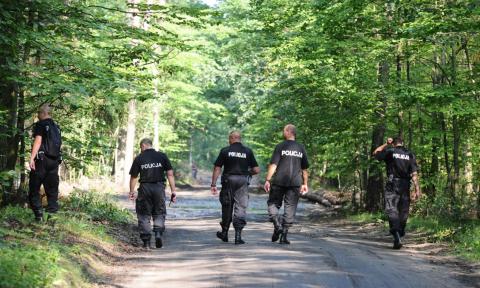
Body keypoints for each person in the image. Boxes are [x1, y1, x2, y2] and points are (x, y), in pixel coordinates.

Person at [211, 131, 260, 245]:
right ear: (240, 138)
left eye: (229, 138)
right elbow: (256, 170)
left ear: (232, 138)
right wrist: (247, 173)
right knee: (240, 207)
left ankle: (224, 233)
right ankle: (238, 236)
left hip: (229, 180)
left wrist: (213, 184)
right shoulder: (248, 151)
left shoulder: (225, 151)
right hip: (242, 181)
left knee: (227, 205)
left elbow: (217, 168)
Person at [264, 124, 309, 245]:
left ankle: (277, 224)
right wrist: (305, 183)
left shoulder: (280, 146)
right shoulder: (301, 148)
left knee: (273, 203)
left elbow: (274, 165)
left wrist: (268, 179)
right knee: (290, 207)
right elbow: (304, 169)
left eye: (284, 131)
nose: (283, 133)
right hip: (295, 183)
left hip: (279, 180)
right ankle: (283, 236)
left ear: (289, 132)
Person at [373, 136, 421, 249]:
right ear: (402, 143)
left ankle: (396, 233)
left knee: (391, 208)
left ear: (393, 144)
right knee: (404, 209)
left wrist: (386, 144)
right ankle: (401, 231)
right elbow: (414, 174)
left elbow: (375, 153)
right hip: (405, 185)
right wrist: (417, 189)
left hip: (392, 184)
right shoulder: (410, 154)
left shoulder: (390, 151)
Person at [129, 138, 177, 249]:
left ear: (144, 145)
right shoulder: (162, 156)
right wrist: (173, 191)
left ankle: (146, 242)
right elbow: (170, 174)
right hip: (159, 187)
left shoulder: (139, 158)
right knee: (159, 211)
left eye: (141, 147)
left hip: (145, 188)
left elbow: (134, 177)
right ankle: (158, 234)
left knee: (144, 214)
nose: (141, 149)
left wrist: (132, 191)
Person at [28, 104, 62, 222]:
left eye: (38, 113)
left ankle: (39, 215)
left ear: (43, 113)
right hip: (54, 162)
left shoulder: (41, 124)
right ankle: (51, 219)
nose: (37, 115)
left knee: (34, 188)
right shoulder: (56, 127)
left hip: (41, 161)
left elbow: (38, 141)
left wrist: (32, 158)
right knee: (52, 191)